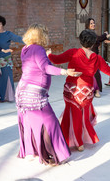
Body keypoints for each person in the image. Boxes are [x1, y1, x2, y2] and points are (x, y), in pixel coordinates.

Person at [48, 29, 110, 151]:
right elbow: (108, 70)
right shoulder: (96, 58)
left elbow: (56, 60)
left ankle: (77, 142)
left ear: (80, 41)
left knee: (73, 115)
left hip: (73, 90)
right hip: (87, 92)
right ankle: (81, 140)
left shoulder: (73, 53)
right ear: (93, 43)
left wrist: (49, 54)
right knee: (83, 116)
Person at [16, 24, 80, 165]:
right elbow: (45, 68)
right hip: (34, 93)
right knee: (50, 122)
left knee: (30, 122)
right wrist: (65, 72)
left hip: (23, 90)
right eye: (45, 33)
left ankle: (30, 152)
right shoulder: (38, 49)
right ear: (41, 35)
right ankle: (57, 154)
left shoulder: (25, 49)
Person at [85, 18, 110, 97]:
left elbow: (98, 40)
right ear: (87, 25)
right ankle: (93, 90)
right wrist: (105, 34)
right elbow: (98, 38)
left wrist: (108, 35)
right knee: (93, 73)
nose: (93, 24)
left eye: (93, 23)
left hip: (95, 55)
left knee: (96, 73)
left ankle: (96, 90)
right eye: (91, 23)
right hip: (90, 55)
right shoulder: (87, 33)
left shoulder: (92, 33)